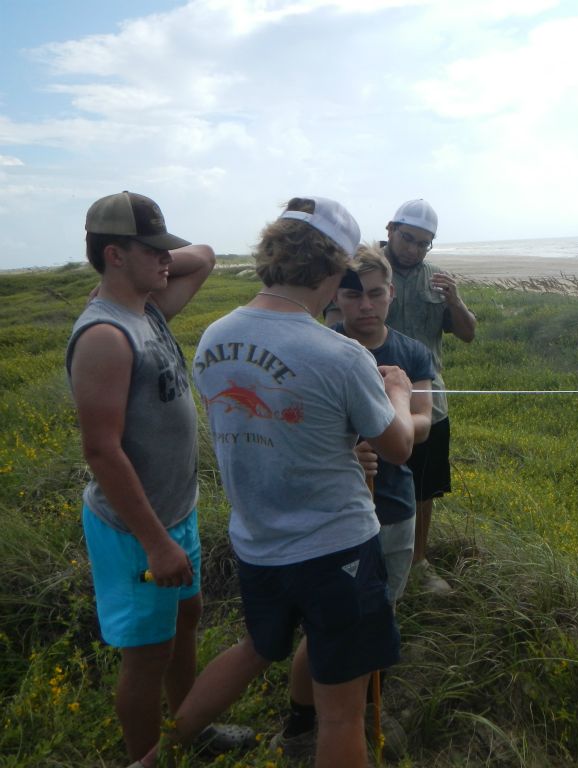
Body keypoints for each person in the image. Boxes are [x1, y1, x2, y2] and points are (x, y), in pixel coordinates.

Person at [139, 197, 415, 768]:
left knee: (255, 648)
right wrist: (399, 393)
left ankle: (157, 757)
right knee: (341, 714)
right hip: (336, 550)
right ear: (335, 269)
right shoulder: (340, 355)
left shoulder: (214, 337)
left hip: (257, 542)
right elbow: (397, 446)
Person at [66, 191, 249, 761]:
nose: (167, 260)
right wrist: (155, 543)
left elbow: (207, 255)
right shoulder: (105, 336)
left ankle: (188, 732)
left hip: (176, 514)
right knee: (148, 652)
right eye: (152, 251)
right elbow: (102, 451)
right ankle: (148, 758)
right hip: (135, 530)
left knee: (186, 619)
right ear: (115, 254)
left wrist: (158, 256)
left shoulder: (146, 309)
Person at [275, 244, 434, 758]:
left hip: (394, 504)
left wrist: (389, 424)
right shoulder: (322, 347)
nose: (365, 305)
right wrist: (351, 447)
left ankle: (366, 706)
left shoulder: (411, 353)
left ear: (390, 294)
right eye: (352, 293)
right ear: (334, 297)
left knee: (381, 610)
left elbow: (425, 421)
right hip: (337, 512)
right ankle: (303, 719)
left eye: (375, 293)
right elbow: (301, 428)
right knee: (332, 623)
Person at [382, 199, 476, 594]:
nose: (415, 250)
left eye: (424, 244)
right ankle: (371, 560)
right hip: (372, 401)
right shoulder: (365, 271)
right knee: (367, 482)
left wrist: (454, 301)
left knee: (423, 488)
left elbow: (468, 334)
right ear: (391, 230)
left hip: (429, 406)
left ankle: (418, 562)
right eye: (408, 239)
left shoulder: (436, 279)